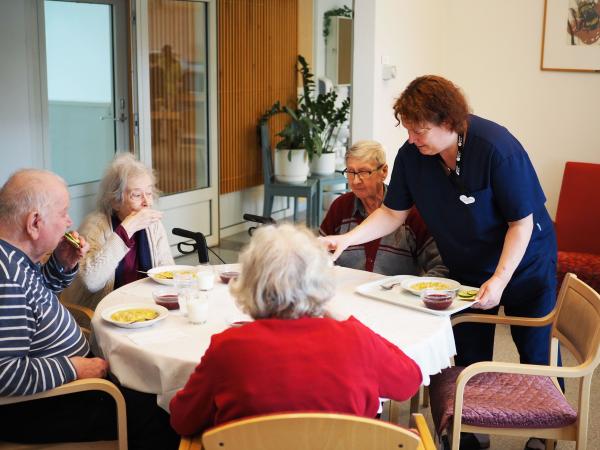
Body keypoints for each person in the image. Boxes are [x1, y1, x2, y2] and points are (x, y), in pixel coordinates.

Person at [321, 75, 558, 376]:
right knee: (469, 360)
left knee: (536, 357)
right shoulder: (413, 156)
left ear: (449, 121)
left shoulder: (495, 148)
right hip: (468, 267)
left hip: (524, 264)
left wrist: (500, 279)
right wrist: (346, 240)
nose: (411, 139)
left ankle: (551, 420)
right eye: (407, 130)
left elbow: (521, 224)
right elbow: (393, 214)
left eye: (419, 131)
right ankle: (470, 424)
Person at [169, 224, 422, 437]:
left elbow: (183, 420)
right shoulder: (355, 338)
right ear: (321, 281)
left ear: (251, 282)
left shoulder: (228, 347)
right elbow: (409, 382)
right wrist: (347, 319)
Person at [0, 169, 179, 449]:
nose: (69, 221)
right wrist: (74, 368)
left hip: (69, 382)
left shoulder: (14, 258)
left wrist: (60, 265)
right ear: (35, 222)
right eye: (63, 213)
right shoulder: (6, 279)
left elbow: (35, 299)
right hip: (49, 404)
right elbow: (5, 374)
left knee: (154, 391)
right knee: (164, 414)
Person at [320, 140, 447, 277]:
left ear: (384, 171)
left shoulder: (411, 212)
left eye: (363, 172)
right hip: (347, 295)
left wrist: (414, 292)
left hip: (395, 297)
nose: (355, 181)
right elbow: (317, 257)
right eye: (351, 172)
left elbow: (441, 266)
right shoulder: (340, 207)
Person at [62, 153, 173, 309]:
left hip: (144, 306)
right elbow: (91, 282)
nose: (147, 202)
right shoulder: (95, 226)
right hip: (101, 313)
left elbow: (167, 271)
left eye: (148, 193)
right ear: (115, 201)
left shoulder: (152, 225)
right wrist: (126, 230)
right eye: (137, 195)